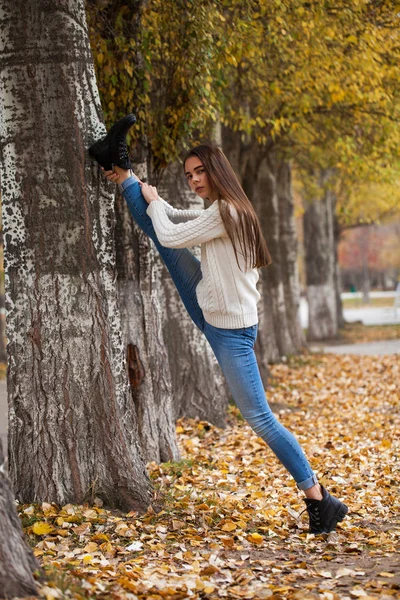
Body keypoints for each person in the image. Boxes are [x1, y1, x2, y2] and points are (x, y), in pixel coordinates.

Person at [89, 114, 348, 534]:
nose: (194, 180)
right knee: (161, 232)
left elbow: (174, 234)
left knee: (260, 418)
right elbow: (178, 223)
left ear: (216, 170)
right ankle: (120, 168)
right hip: (212, 304)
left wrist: (153, 202)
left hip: (230, 331)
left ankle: (319, 497)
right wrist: (153, 200)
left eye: (199, 172)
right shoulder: (227, 209)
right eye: (189, 174)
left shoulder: (227, 211)